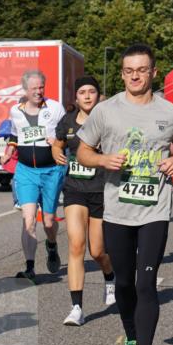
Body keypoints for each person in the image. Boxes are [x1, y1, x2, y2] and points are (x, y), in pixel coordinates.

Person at [75, 43, 173, 345]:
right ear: (122, 74)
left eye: (142, 70)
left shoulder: (171, 112)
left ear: (154, 72)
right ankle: (131, 337)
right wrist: (103, 160)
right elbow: (83, 150)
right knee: (124, 284)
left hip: (155, 209)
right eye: (129, 71)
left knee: (146, 284)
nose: (135, 76)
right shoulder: (105, 110)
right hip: (117, 210)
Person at [51, 75, 116, 326]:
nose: (87, 96)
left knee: (97, 251)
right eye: (82, 92)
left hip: (101, 190)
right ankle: (76, 307)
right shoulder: (67, 121)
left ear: (99, 95)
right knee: (76, 245)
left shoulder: (108, 120)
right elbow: (57, 144)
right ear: (76, 98)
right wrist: (56, 153)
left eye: (91, 91)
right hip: (75, 189)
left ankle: (109, 276)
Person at [5, 70, 67, 282]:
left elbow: (67, 134)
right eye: (34, 88)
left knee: (48, 221)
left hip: (51, 171)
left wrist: (57, 142)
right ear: (25, 90)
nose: (38, 92)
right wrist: (9, 150)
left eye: (41, 87)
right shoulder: (15, 110)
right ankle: (30, 267)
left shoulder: (55, 108)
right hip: (26, 171)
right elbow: (15, 134)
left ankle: (52, 245)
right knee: (29, 219)